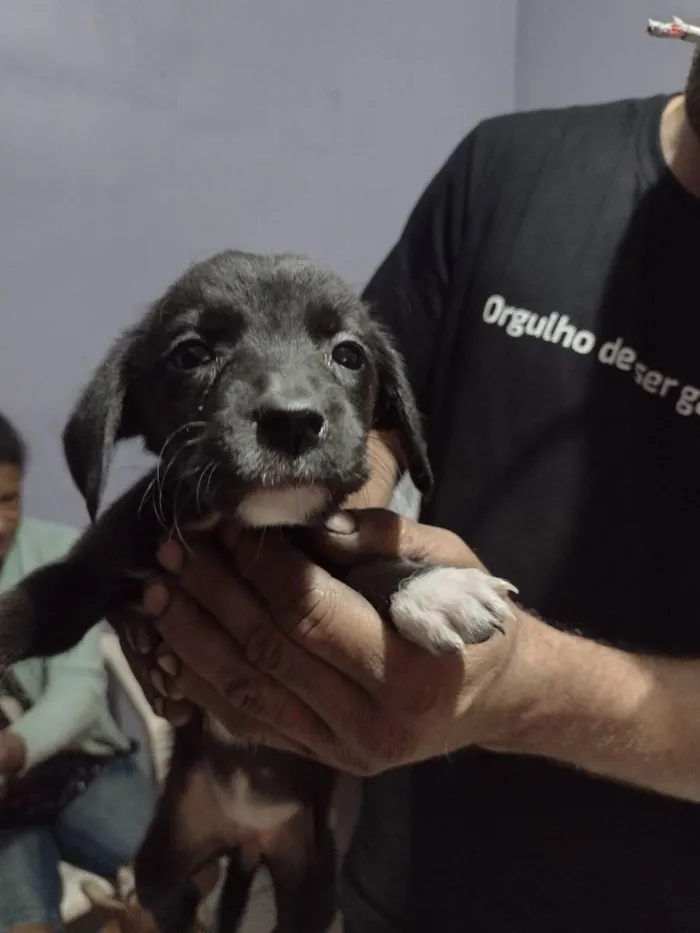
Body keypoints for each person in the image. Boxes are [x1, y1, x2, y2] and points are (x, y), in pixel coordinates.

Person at [122, 46, 700, 933]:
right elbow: (368, 413)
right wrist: (293, 574)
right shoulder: (509, 167)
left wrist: (523, 688)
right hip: (407, 874)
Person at [0, 412, 156, 933]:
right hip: (4, 813)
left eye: (8, 501)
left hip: (86, 770)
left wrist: (11, 749)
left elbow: (80, 688)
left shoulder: (58, 552)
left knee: (174, 881)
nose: (2, 523)